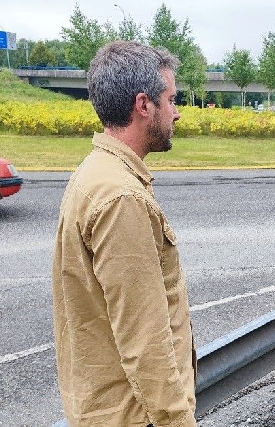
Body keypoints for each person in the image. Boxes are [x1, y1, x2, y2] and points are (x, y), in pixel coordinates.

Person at [51, 40, 197, 427]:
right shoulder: (120, 197)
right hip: (137, 414)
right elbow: (144, 338)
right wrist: (177, 420)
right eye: (171, 99)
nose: (177, 113)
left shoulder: (96, 172)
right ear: (143, 105)